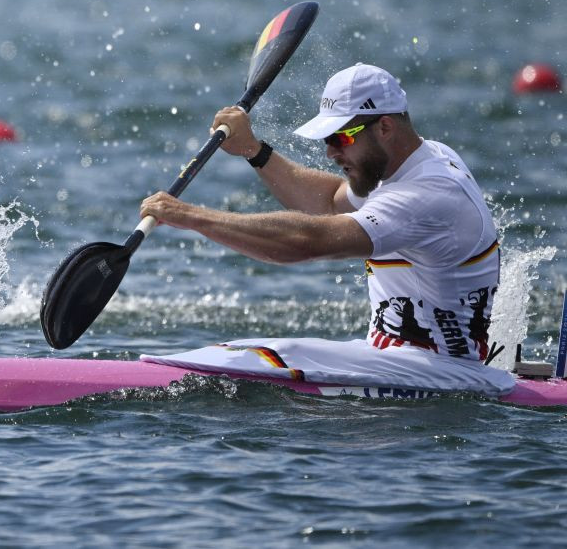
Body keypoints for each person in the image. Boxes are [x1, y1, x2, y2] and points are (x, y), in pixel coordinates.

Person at [138, 63, 512, 394]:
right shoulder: (416, 159)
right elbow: (332, 201)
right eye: (327, 140)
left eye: (341, 138)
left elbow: (309, 241)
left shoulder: (428, 195)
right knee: (253, 354)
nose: (331, 153)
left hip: (442, 376)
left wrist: (191, 216)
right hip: (406, 363)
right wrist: (254, 149)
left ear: (384, 127)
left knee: (259, 357)